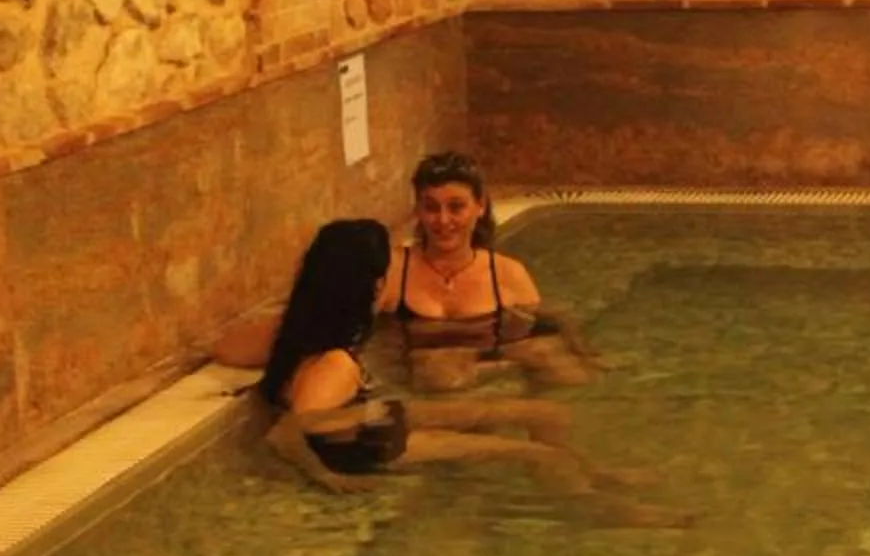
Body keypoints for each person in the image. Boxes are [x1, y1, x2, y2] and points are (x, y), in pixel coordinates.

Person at [256, 219, 651, 508]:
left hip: (375, 417)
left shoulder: (307, 330)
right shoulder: (334, 364)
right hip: (378, 444)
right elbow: (284, 432)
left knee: (544, 412)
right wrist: (327, 476)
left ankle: (590, 473)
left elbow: (237, 353)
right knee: (535, 452)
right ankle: (594, 507)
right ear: (370, 285)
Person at [378, 149, 591, 392]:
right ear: (418, 211)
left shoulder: (506, 273)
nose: (443, 220)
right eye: (431, 208)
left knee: (565, 373)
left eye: (456, 207)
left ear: (480, 207)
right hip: (428, 377)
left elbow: (545, 320)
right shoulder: (395, 270)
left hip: (487, 364)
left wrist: (583, 352)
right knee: (439, 372)